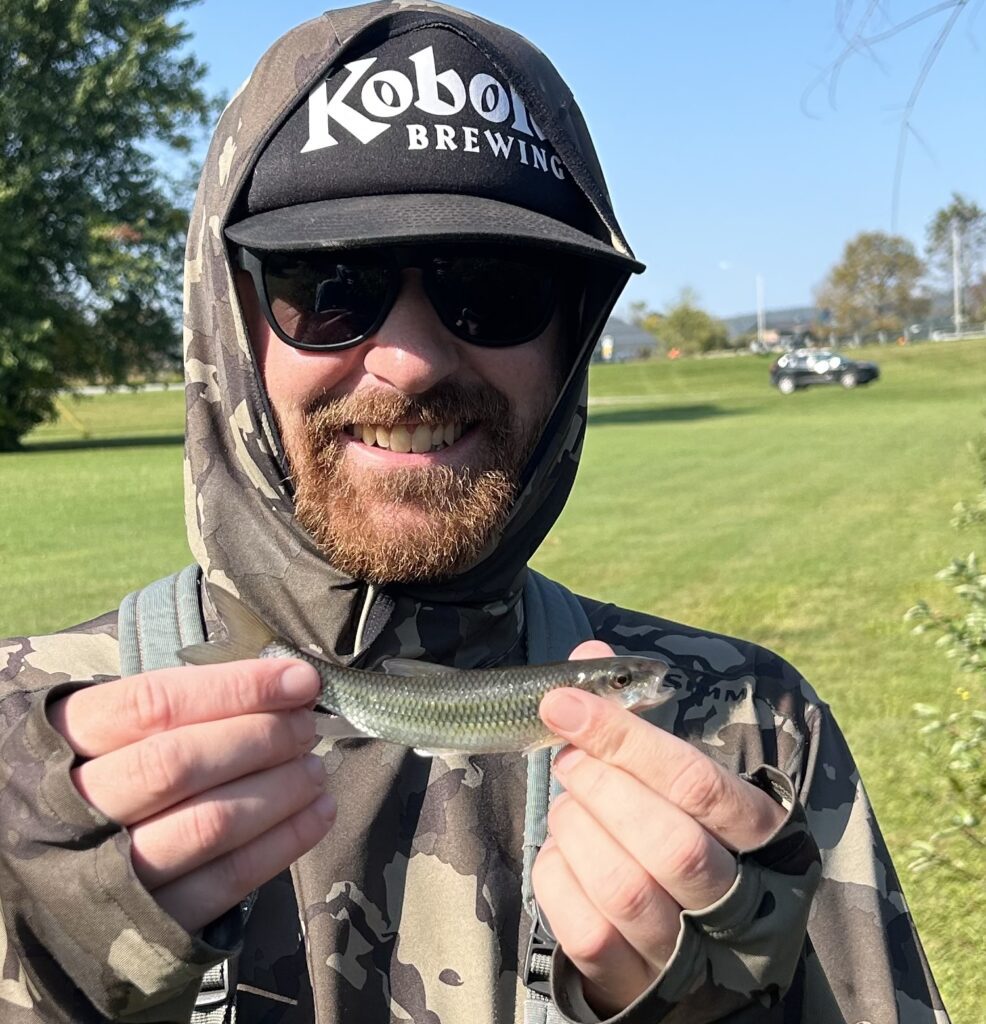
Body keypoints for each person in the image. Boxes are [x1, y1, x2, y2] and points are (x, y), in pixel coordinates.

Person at [0, 3, 948, 1023]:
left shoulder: (753, 737)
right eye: (327, 286)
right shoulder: (21, 743)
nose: (408, 363)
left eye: (493, 289)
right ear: (229, 323)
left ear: (570, 337)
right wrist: (31, 958)